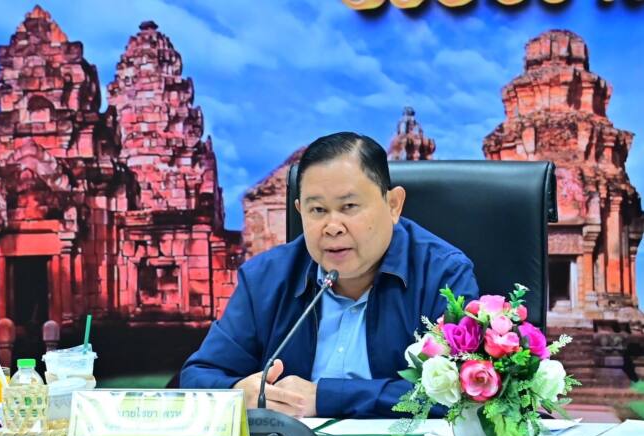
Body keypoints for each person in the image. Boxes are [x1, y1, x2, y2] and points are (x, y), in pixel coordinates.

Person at [180, 132, 478, 418]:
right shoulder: (265, 278)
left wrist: (324, 397)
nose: (332, 227)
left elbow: (465, 388)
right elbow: (198, 377)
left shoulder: (442, 274)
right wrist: (238, 392)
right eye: (318, 210)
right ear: (300, 211)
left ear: (393, 205)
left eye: (349, 207)